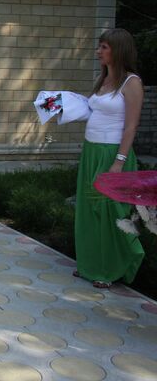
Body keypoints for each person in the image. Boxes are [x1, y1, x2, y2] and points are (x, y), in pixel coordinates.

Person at [74, 28, 144, 289]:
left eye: (104, 47)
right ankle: (89, 264)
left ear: (118, 49)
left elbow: (131, 126)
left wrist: (119, 161)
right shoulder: (102, 80)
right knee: (89, 209)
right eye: (99, 46)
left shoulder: (132, 82)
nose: (98, 51)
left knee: (109, 212)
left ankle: (110, 268)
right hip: (92, 151)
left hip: (112, 154)